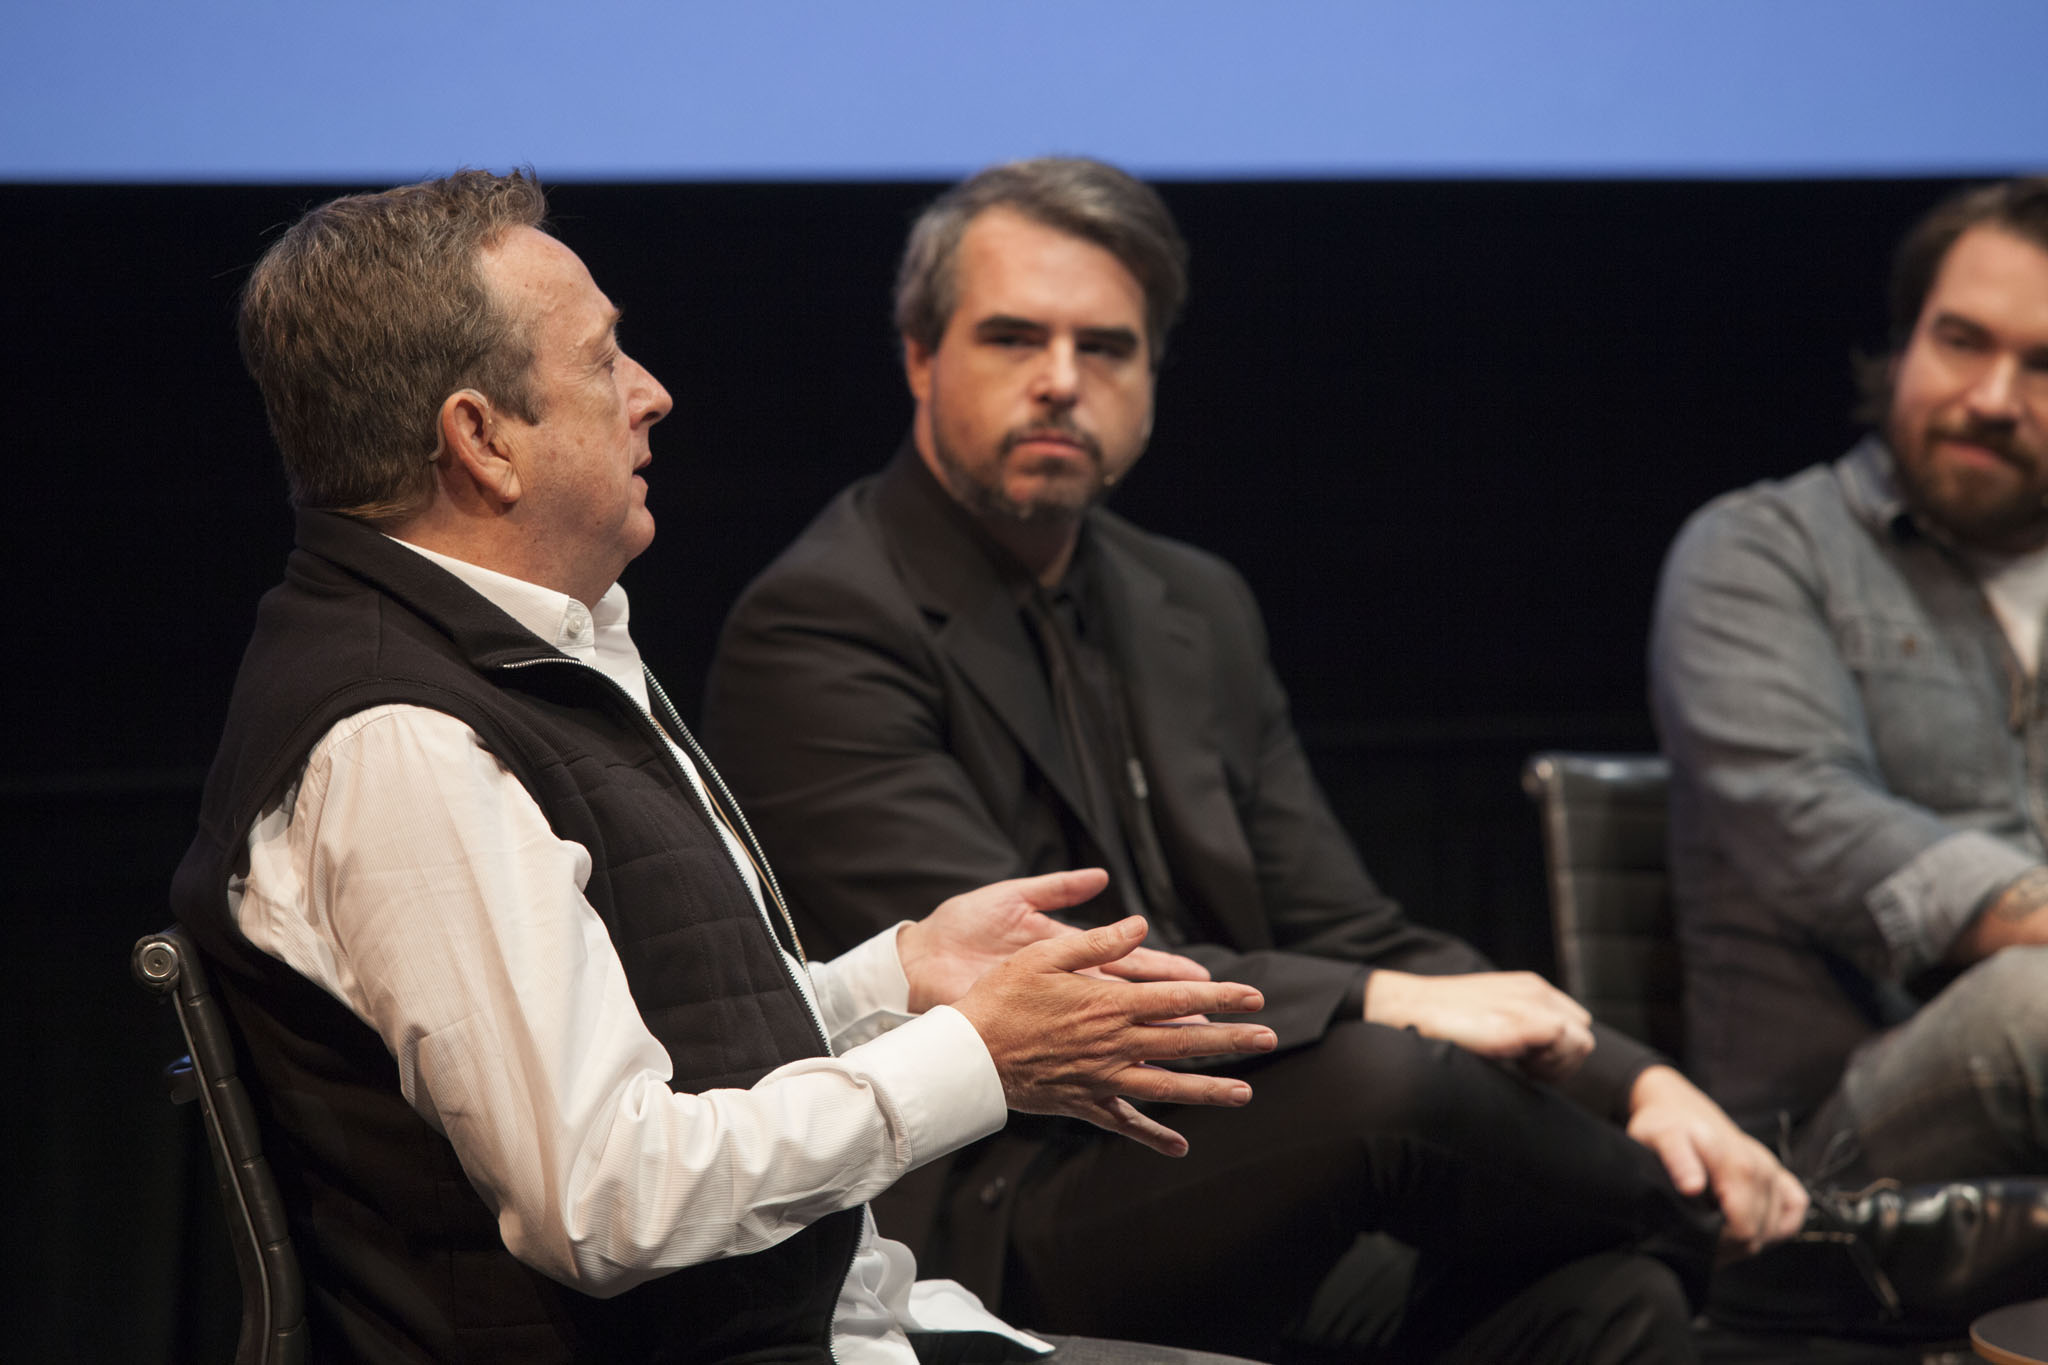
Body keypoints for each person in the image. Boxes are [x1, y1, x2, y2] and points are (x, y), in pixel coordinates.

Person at [168, 168, 1286, 1365]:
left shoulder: (534, 652)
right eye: (602, 362)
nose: (652, 394)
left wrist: (897, 982)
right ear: (481, 440)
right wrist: (976, 1060)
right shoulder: (404, 742)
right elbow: (607, 1198)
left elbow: (663, 1050)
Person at [701, 156, 1804, 1364]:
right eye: (1012, 338)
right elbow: (1040, 988)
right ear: (920, 357)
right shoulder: (818, 622)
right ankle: (1790, 1256)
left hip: (1234, 1174)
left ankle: (1716, 1237)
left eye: (1105, 348)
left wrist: (1638, 1084)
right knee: (1397, 1088)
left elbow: (1352, 928)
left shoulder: (1191, 601)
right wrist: (1382, 1004)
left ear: (1149, 377)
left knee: (1605, 1303)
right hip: (995, 1199)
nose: (1060, 383)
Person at [1651, 180, 2048, 1196]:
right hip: (1831, 1138)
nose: (1993, 398)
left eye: (2042, 365)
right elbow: (1813, 824)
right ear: (1902, 338)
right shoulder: (1761, 550)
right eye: (1960, 341)